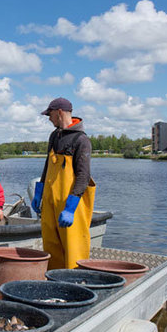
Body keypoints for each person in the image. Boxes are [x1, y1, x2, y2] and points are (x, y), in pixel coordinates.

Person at [31, 97, 96, 270]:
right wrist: (39, 192)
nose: (49, 118)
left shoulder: (81, 140)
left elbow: (83, 176)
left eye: (50, 114)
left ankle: (76, 284)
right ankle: (53, 282)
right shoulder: (54, 136)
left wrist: (70, 208)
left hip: (71, 205)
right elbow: (47, 165)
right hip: (51, 202)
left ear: (59, 112)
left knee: (74, 248)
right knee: (51, 245)